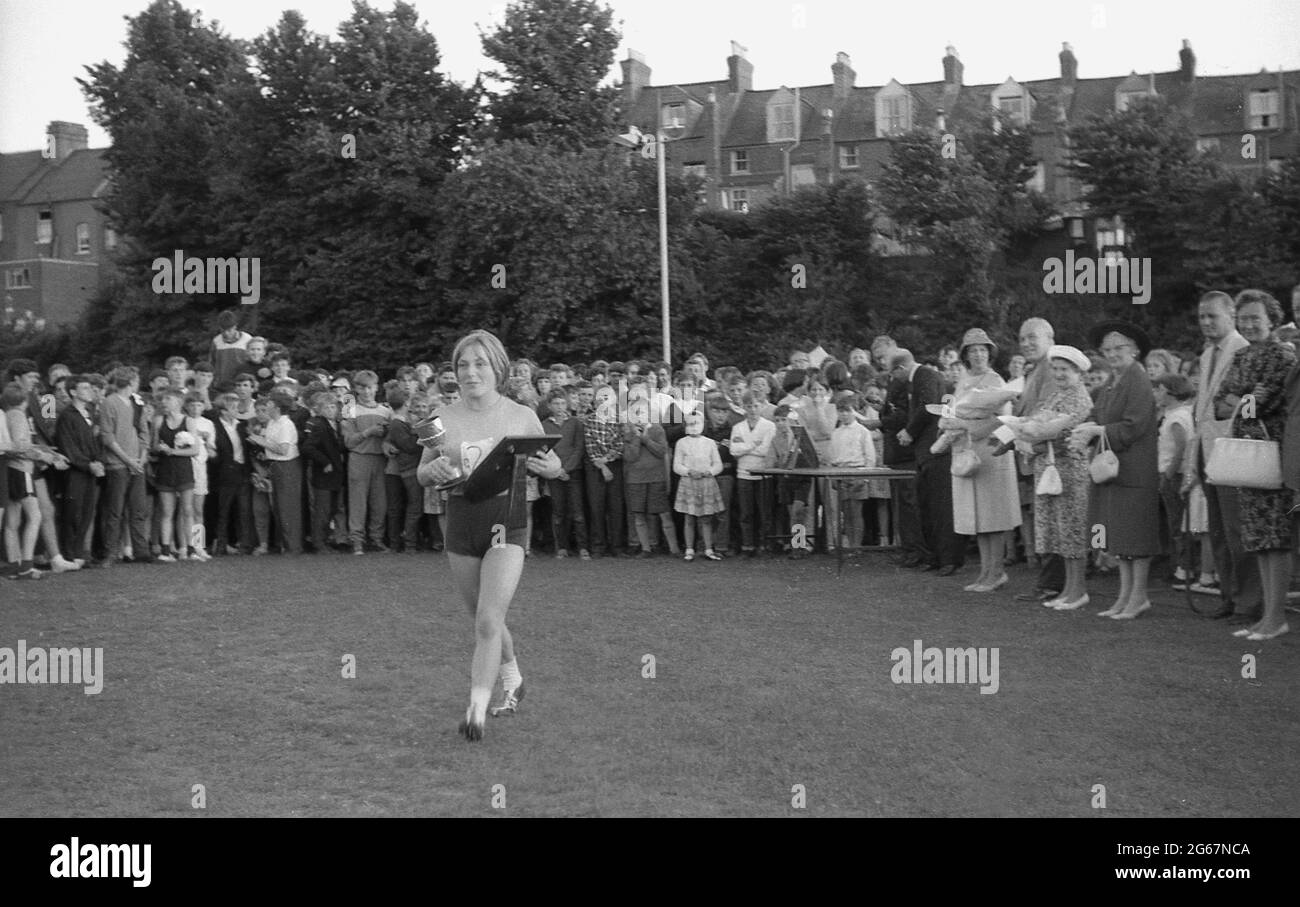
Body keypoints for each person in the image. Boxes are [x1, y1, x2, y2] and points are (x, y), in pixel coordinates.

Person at [416, 330, 562, 741]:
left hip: (507, 520)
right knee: (484, 617)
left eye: (480, 363)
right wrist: (434, 473)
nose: (470, 371)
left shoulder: (521, 414)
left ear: (497, 368)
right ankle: (513, 677)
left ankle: (476, 709)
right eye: (463, 364)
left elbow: (553, 466)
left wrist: (544, 468)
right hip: (460, 522)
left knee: (487, 622)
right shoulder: (437, 417)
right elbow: (422, 471)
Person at [1216, 290, 1294, 641]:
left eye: (1255, 317)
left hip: (1269, 452)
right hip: (1246, 454)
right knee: (1260, 539)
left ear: (1272, 319)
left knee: (1275, 538)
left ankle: (1276, 617)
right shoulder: (1243, 354)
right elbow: (1221, 403)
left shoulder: (1282, 353)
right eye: (1243, 317)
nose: (1249, 324)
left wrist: (1240, 399)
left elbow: (1262, 402)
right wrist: (1243, 399)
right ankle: (1266, 616)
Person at [1072, 321, 1161, 620]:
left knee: (1135, 535)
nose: (1112, 354)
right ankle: (1125, 595)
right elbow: (1097, 414)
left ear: (1135, 350)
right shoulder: (1113, 380)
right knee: (1121, 537)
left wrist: (1098, 429)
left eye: (1118, 348)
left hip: (1135, 466)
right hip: (1114, 468)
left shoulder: (1138, 378)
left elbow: (1134, 425)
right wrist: (1085, 427)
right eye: (1107, 349)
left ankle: (1138, 597)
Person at [1181, 291, 1260, 620]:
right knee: (1218, 529)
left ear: (1231, 315)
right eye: (1201, 316)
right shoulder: (1207, 353)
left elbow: (1242, 404)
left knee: (1237, 529)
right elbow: (1201, 408)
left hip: (1233, 449)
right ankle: (1230, 594)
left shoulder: (1242, 348)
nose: (1206, 322)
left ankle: (1250, 602)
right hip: (1207, 449)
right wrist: (1193, 457)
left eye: (1212, 316)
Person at [945, 329, 1021, 591]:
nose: (978, 354)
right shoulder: (964, 379)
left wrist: (973, 427)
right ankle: (985, 572)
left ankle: (996, 571)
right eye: (972, 350)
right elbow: (955, 409)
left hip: (989, 450)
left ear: (989, 353)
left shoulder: (996, 380)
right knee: (977, 515)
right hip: (967, 449)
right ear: (965, 354)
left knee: (993, 515)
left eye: (982, 350)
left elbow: (1004, 417)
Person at [1023, 346, 1094, 609]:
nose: (1059, 374)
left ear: (1078, 372)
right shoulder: (1056, 395)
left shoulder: (1079, 398)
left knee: (1072, 530)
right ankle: (1067, 589)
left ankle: (1078, 590)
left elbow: (1070, 437)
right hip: (1050, 470)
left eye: (1065, 369)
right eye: (1055, 369)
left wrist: (1037, 442)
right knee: (1058, 532)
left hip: (1070, 471)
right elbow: (1038, 423)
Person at [898, 350, 963, 576]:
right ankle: (935, 556)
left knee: (940, 507)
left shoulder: (923, 375)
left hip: (937, 450)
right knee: (927, 506)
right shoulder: (921, 378)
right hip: (926, 452)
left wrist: (909, 431)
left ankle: (948, 559)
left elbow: (926, 406)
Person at [55, 375, 105, 567]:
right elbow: (67, 446)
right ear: (73, 392)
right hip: (75, 472)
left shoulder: (90, 414)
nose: (90, 391)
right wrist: (87, 464)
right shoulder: (67, 416)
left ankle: (78, 554)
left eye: (90, 388)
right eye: (84, 388)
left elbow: (95, 442)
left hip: (91, 471)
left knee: (86, 512)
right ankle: (68, 554)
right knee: (72, 514)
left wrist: (98, 461)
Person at [342, 370, 391, 555]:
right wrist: (368, 432)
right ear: (356, 388)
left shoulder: (385, 410)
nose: (367, 392)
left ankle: (376, 539)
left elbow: (390, 438)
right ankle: (356, 540)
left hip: (380, 458)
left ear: (376, 388)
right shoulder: (349, 407)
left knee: (380, 502)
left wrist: (387, 442)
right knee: (358, 501)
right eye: (362, 387)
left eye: (370, 387)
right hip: (359, 457)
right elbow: (348, 441)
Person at [1152, 374, 1195, 585]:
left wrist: (1168, 475)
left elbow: (1181, 448)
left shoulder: (1177, 418)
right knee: (1176, 522)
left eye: (1160, 389)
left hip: (1174, 474)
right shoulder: (1178, 414)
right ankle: (1181, 565)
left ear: (1172, 393)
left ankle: (1183, 568)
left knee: (1177, 522)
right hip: (1174, 473)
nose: (1157, 394)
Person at [622, 396, 677, 557]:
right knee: (638, 514)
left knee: (664, 514)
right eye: (635, 413)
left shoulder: (657, 429)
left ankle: (674, 549)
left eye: (642, 412)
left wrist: (646, 438)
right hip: (636, 480)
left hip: (656, 478)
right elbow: (630, 456)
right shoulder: (627, 433)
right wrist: (637, 438)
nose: (639, 416)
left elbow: (661, 451)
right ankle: (646, 549)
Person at [151, 389, 199, 561]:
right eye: (163, 399)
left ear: (178, 401)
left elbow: (195, 450)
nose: (164, 402)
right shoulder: (158, 421)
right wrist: (160, 449)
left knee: (188, 510)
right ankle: (165, 550)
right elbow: (154, 446)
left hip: (183, 470)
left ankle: (192, 549)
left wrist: (172, 451)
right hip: (165, 470)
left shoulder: (189, 421)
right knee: (167, 511)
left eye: (168, 398)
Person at [673, 410, 725, 561]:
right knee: (689, 517)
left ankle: (708, 549)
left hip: (706, 482)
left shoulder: (709, 443)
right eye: (690, 423)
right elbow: (676, 466)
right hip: (689, 482)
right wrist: (689, 472)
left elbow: (718, 464)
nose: (694, 426)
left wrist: (709, 472)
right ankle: (689, 549)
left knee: (706, 518)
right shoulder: (681, 443)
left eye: (697, 423)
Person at [731, 390, 776, 557]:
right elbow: (734, 451)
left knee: (764, 512)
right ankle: (747, 545)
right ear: (744, 407)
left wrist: (746, 447)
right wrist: (752, 446)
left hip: (763, 474)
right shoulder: (738, 427)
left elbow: (765, 450)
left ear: (761, 406)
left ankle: (765, 544)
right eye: (749, 406)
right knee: (746, 513)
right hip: (744, 474)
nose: (752, 409)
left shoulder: (769, 426)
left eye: (756, 405)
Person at [829, 394, 875, 548]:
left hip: (858, 471)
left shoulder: (862, 431)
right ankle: (849, 544)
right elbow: (834, 456)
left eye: (847, 411)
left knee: (856, 511)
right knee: (846, 512)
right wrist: (834, 477)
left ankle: (857, 545)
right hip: (841, 472)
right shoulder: (836, 433)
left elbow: (870, 456)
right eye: (840, 411)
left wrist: (865, 477)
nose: (844, 414)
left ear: (854, 411)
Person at [184, 392, 216, 560]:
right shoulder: (183, 420)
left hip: (200, 468)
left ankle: (199, 545)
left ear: (203, 407)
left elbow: (212, 450)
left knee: (197, 509)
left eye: (198, 405)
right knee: (183, 509)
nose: (195, 408)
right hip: (183, 466)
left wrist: (206, 443)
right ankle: (183, 546)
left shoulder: (208, 424)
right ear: (186, 406)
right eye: (192, 405)